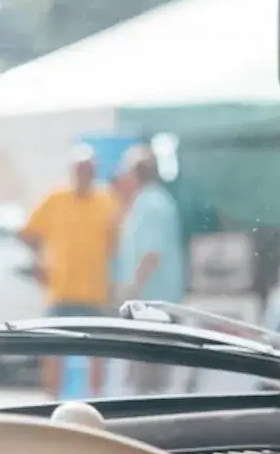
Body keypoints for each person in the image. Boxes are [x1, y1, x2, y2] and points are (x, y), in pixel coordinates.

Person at [20, 144, 121, 398]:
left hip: (94, 292)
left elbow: (116, 245)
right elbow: (28, 234)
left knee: (97, 352)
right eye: (79, 170)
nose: (83, 175)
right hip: (61, 289)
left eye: (88, 170)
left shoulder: (106, 201)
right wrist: (38, 263)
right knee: (53, 350)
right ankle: (50, 401)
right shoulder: (56, 199)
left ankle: (96, 402)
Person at [112, 143, 186, 394]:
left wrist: (132, 287)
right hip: (151, 303)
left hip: (153, 304)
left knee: (149, 375)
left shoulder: (151, 204)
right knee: (146, 374)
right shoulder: (147, 201)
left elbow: (152, 254)